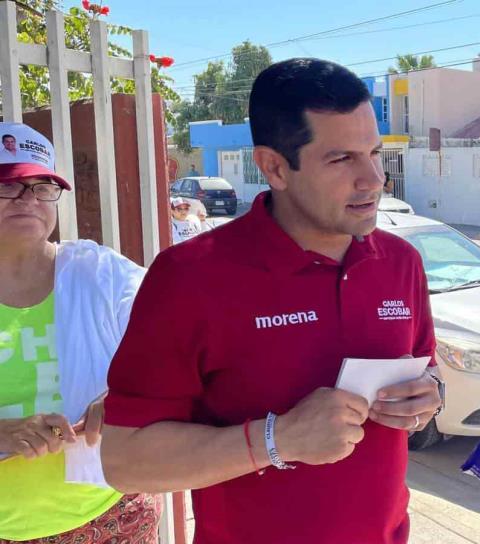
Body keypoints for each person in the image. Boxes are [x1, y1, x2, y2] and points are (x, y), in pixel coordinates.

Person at [101, 58, 443, 544]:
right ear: (274, 167)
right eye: (342, 158)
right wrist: (278, 439)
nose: (373, 179)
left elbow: (427, 372)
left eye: (374, 151)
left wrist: (429, 397)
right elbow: (125, 462)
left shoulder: (400, 262)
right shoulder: (191, 277)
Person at [0, 122, 159, 543]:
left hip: (112, 514)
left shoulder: (98, 273)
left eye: (41, 187)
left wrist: (127, 395)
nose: (27, 199)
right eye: (7, 186)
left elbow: (177, 337)